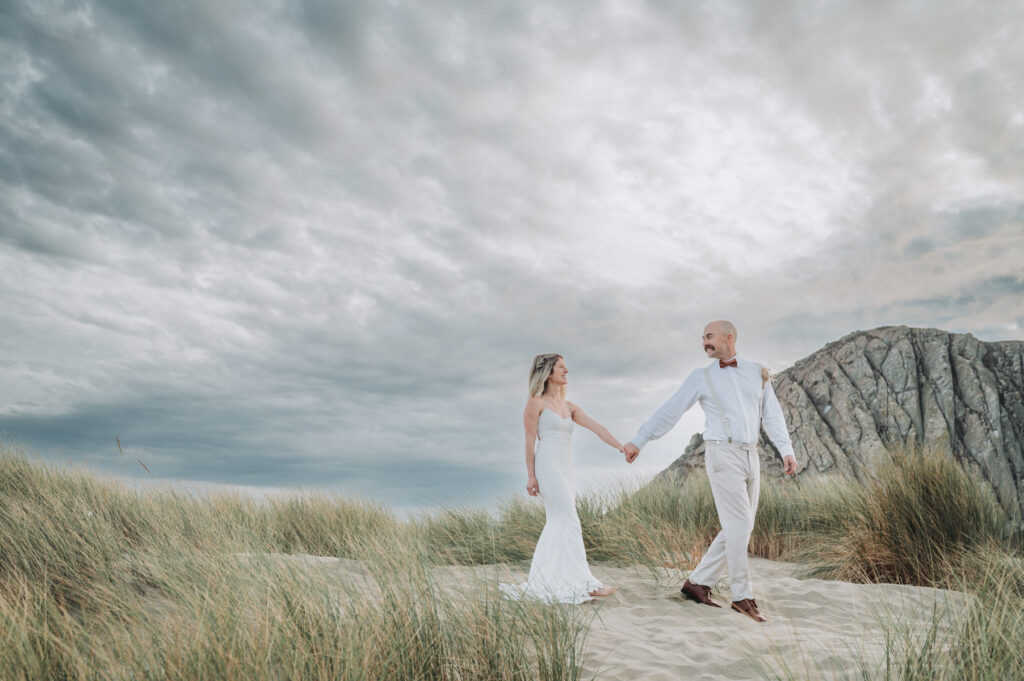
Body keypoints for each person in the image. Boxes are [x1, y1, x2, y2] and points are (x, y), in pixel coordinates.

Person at [622, 321, 798, 623]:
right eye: (702, 338)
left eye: (709, 336)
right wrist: (640, 439)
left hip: (751, 454)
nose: (704, 342)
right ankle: (742, 596)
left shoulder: (757, 371)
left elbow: (772, 415)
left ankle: (698, 582)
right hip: (721, 453)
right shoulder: (700, 377)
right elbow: (671, 409)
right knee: (739, 523)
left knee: (741, 526)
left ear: (729, 337)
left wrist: (786, 449)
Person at [501, 353, 628, 604]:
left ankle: (552, 580)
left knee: (559, 522)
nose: (566, 370)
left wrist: (621, 447)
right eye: (561, 367)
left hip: (566, 467)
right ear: (548, 373)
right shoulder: (535, 403)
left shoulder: (570, 407)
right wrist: (530, 476)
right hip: (547, 466)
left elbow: (597, 427)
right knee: (568, 518)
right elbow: (529, 443)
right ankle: (585, 583)